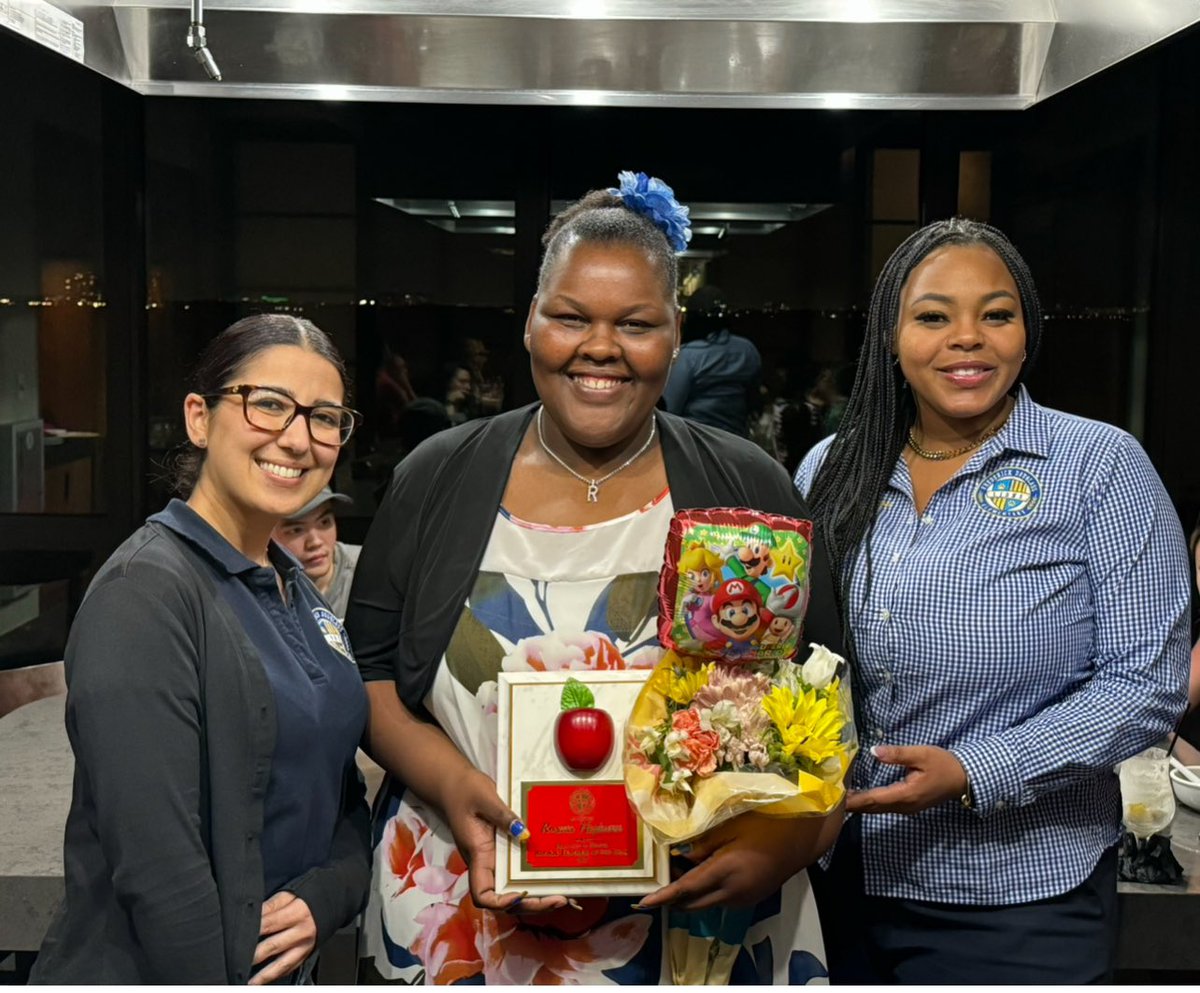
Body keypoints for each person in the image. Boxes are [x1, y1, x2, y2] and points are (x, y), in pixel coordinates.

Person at [346, 171, 843, 984]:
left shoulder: (747, 484)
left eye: (636, 323)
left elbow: (825, 700)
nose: (600, 346)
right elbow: (368, 675)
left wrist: (784, 842)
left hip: (699, 922)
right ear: (531, 324)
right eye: (570, 316)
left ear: (676, 333)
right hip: (467, 910)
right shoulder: (436, 478)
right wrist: (455, 785)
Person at [794, 218, 1191, 984]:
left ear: (1027, 329)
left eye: (996, 314)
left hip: (1017, 899)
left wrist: (978, 768)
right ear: (890, 334)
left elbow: (1146, 684)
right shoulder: (830, 468)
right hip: (837, 879)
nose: (967, 338)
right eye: (934, 315)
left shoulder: (1098, 466)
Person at [32, 315, 372, 984]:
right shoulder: (146, 594)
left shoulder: (294, 585)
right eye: (268, 404)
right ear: (199, 417)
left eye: (324, 418)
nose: (298, 439)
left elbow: (342, 792)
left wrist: (326, 893)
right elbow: (161, 876)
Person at [661, 283, 762, 437]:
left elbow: (671, 408)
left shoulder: (688, 355)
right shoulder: (747, 349)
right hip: (736, 442)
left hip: (696, 442)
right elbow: (754, 400)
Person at [272, 486, 361, 619]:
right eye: (296, 530)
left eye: (324, 522)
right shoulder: (262, 589)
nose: (315, 542)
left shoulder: (372, 571)